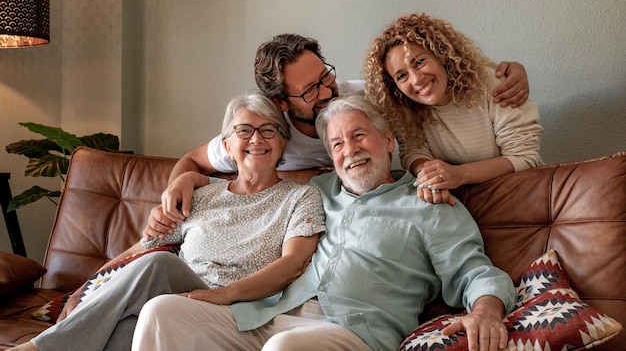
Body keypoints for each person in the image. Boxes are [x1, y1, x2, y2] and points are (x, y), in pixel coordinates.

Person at [132, 95, 515, 351]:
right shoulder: (316, 190)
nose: (350, 151)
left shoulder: (429, 202)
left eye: (359, 135)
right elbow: (242, 173)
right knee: (161, 312)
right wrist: (186, 178)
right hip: (268, 315)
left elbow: (475, 271)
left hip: (354, 331)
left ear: (388, 140)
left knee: (283, 349)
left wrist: (486, 311)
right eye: (337, 144)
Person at [8, 92, 326, 351]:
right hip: (180, 302)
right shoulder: (201, 194)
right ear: (228, 145)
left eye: (268, 129)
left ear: (283, 143)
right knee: (121, 333)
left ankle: (38, 350)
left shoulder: (300, 197)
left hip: (239, 308)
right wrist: (86, 289)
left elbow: (293, 265)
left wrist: (224, 295)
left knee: (159, 264)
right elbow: (140, 249)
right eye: (244, 130)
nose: (256, 139)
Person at [147, 33, 531, 237]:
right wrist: (178, 181)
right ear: (281, 103)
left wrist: (507, 70)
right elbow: (193, 159)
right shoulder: (264, 131)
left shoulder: (364, 96)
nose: (328, 92)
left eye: (325, 76)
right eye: (310, 91)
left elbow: (433, 78)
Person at [364, 13, 543, 206]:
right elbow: (413, 154)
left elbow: (524, 158)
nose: (416, 79)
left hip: (522, 199)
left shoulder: (491, 86)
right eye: (401, 76)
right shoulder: (405, 109)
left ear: (441, 54)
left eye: (419, 62)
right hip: (463, 206)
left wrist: (459, 174)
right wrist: (431, 175)